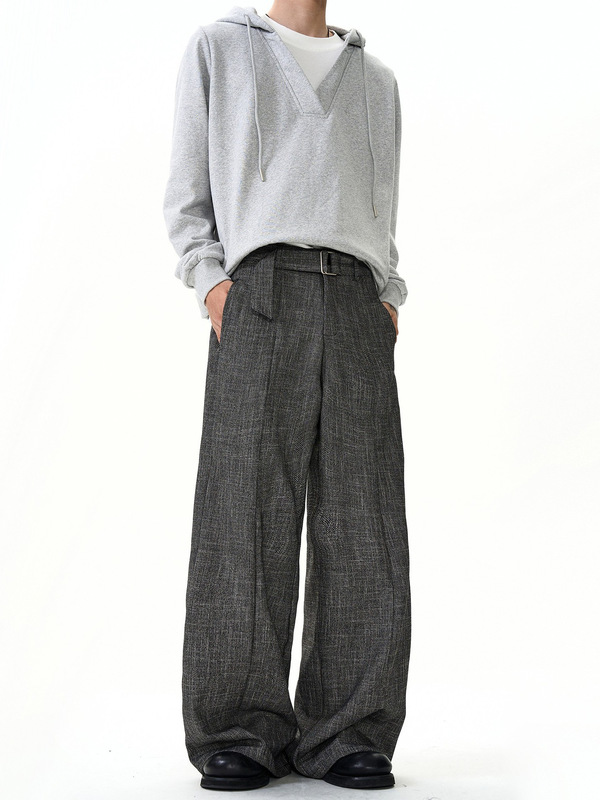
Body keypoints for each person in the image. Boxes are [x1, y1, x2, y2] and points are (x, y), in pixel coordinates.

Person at [163, 1, 411, 791]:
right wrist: (213, 285)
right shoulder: (219, 49)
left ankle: (349, 730)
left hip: (357, 299)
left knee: (364, 518)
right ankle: (238, 729)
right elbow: (188, 194)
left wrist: (386, 294)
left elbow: (379, 205)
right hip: (260, 291)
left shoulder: (376, 80)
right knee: (243, 512)